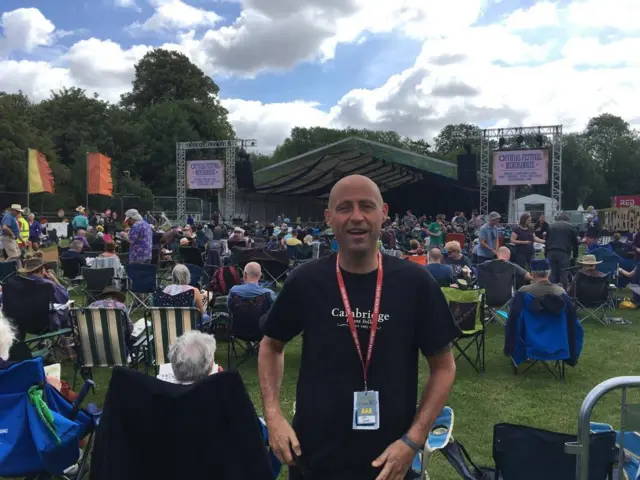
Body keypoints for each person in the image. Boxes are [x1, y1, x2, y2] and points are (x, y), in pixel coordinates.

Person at [258, 174, 459, 480]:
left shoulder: (416, 283)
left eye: (366, 206)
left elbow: (443, 367)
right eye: (344, 207)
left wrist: (413, 441)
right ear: (328, 217)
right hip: (313, 459)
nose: (356, 217)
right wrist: (273, 417)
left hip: (390, 461)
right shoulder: (306, 281)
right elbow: (271, 346)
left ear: (384, 213)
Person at [18, 255, 70, 328]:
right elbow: (64, 298)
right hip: (48, 323)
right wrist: (55, 280)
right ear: (42, 270)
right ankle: (68, 335)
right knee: (66, 305)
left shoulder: (19, 284)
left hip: (27, 324)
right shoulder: (47, 284)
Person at [88, 286, 133, 352]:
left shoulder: (93, 305)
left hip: (96, 340)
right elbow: (129, 326)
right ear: (116, 296)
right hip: (116, 342)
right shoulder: (120, 306)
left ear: (104, 296)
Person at [545, 213, 580, 288]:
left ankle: (552, 293)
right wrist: (575, 256)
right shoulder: (571, 227)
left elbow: (546, 241)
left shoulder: (550, 226)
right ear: (567, 220)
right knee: (563, 274)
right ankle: (562, 294)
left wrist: (546, 254)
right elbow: (575, 243)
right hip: (563, 252)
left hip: (550, 252)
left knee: (552, 274)